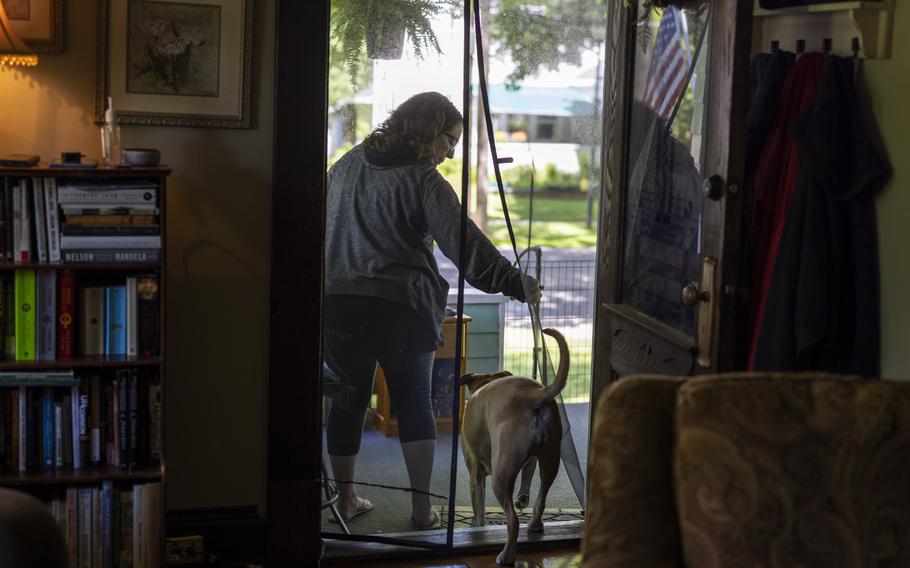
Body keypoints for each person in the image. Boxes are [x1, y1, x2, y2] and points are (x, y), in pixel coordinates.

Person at [323, 91, 540, 530]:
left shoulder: (345, 167)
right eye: (450, 140)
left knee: (347, 401)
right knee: (415, 402)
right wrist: (515, 282)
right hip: (401, 307)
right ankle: (422, 511)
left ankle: (345, 500)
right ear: (428, 129)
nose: (451, 152)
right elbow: (464, 244)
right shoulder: (422, 180)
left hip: (339, 304)